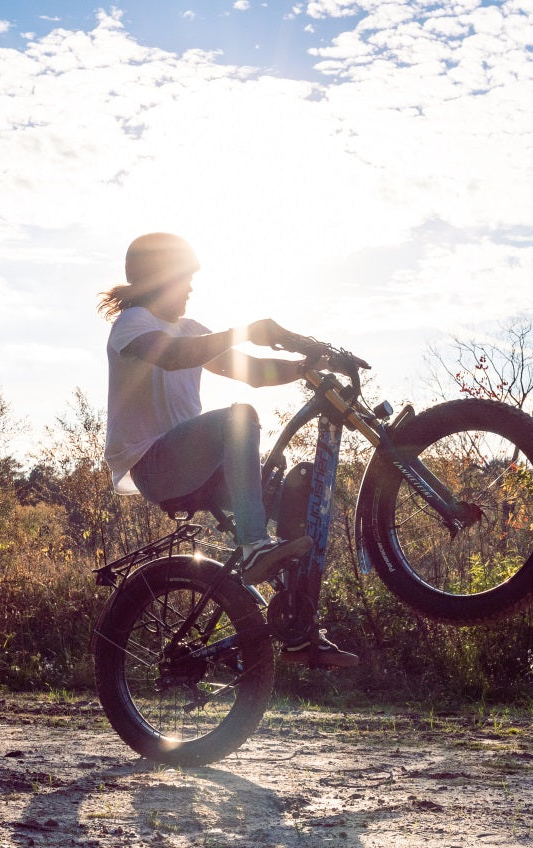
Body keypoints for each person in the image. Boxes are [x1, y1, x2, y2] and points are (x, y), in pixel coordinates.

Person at [99, 232, 357, 669]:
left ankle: (298, 629)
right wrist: (245, 331)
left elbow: (252, 370)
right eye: (184, 277)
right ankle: (254, 544)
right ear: (158, 278)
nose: (191, 287)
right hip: (154, 467)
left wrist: (309, 366)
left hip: (203, 470)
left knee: (299, 491)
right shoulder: (133, 324)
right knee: (238, 418)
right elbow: (174, 356)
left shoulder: (190, 330)